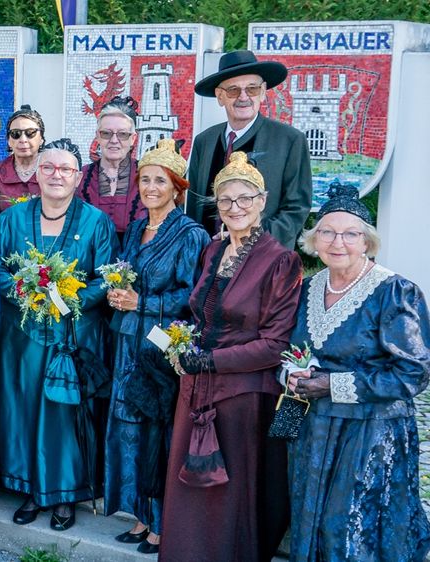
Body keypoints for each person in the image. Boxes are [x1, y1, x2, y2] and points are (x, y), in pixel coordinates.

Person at [160, 152, 302, 562]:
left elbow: (275, 345)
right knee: (190, 486)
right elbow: (201, 314)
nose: (235, 208)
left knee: (228, 491)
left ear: (263, 201)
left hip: (243, 395)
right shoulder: (213, 249)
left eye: (245, 199)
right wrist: (183, 346)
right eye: (226, 201)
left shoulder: (281, 260)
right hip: (197, 388)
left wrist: (209, 362)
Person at [285, 183, 430, 561]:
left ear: (367, 242)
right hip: (312, 429)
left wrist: (332, 385)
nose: (338, 242)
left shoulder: (395, 292)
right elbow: (292, 351)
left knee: (350, 526)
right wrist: (291, 375)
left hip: (370, 431)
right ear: (313, 241)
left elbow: (412, 374)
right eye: (327, 232)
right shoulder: (306, 288)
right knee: (308, 516)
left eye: (351, 234)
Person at [0, 139, 117, 532]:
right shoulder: (11, 219)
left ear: (78, 177)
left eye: (65, 169)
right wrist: (25, 292)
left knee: (64, 415)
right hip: (21, 340)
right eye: (49, 168)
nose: (57, 175)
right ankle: (29, 488)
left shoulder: (97, 223)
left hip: (73, 340)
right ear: (37, 174)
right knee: (22, 410)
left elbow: (107, 276)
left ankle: (63, 494)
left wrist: (68, 298)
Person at [101, 139, 209, 555]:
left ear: (177, 187)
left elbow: (192, 295)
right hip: (126, 339)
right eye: (144, 179)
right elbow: (126, 275)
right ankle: (141, 514)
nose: (149, 187)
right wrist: (119, 293)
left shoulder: (189, 234)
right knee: (128, 426)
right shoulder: (137, 227)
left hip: (158, 347)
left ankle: (163, 525)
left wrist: (142, 302)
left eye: (159, 181)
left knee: (156, 431)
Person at [187, 50, 311, 245]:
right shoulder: (205, 141)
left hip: (264, 257)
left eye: (251, 89)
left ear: (262, 92)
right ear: (220, 96)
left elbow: (296, 209)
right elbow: (194, 205)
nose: (243, 97)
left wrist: (251, 239)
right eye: (233, 90)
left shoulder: (289, 140)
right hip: (209, 256)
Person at [79, 97, 145, 235]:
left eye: (122, 134)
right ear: (97, 136)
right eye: (106, 133)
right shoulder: (80, 177)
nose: (114, 140)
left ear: (133, 138)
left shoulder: (148, 177)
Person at [0, 105, 44, 237]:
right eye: (15, 134)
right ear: (8, 141)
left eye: (30, 133)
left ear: (41, 138)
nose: (23, 139)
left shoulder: (52, 172)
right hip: (4, 248)